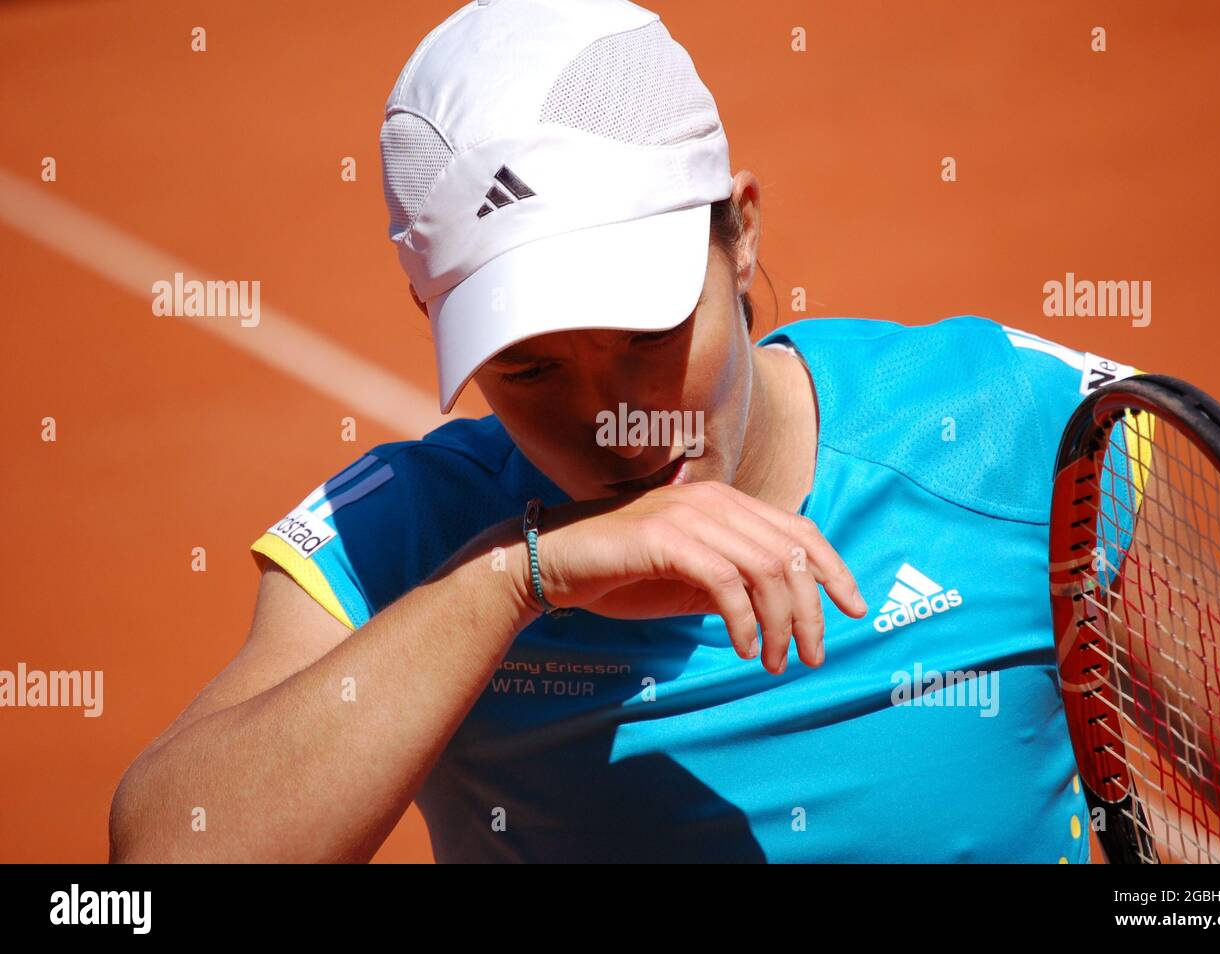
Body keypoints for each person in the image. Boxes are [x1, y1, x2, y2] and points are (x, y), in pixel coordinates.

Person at [109, 0, 1137, 863]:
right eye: (530, 366)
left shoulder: (1020, 429)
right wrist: (511, 580)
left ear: (741, 236)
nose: (611, 415)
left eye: (646, 332)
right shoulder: (408, 541)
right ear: (434, 325)